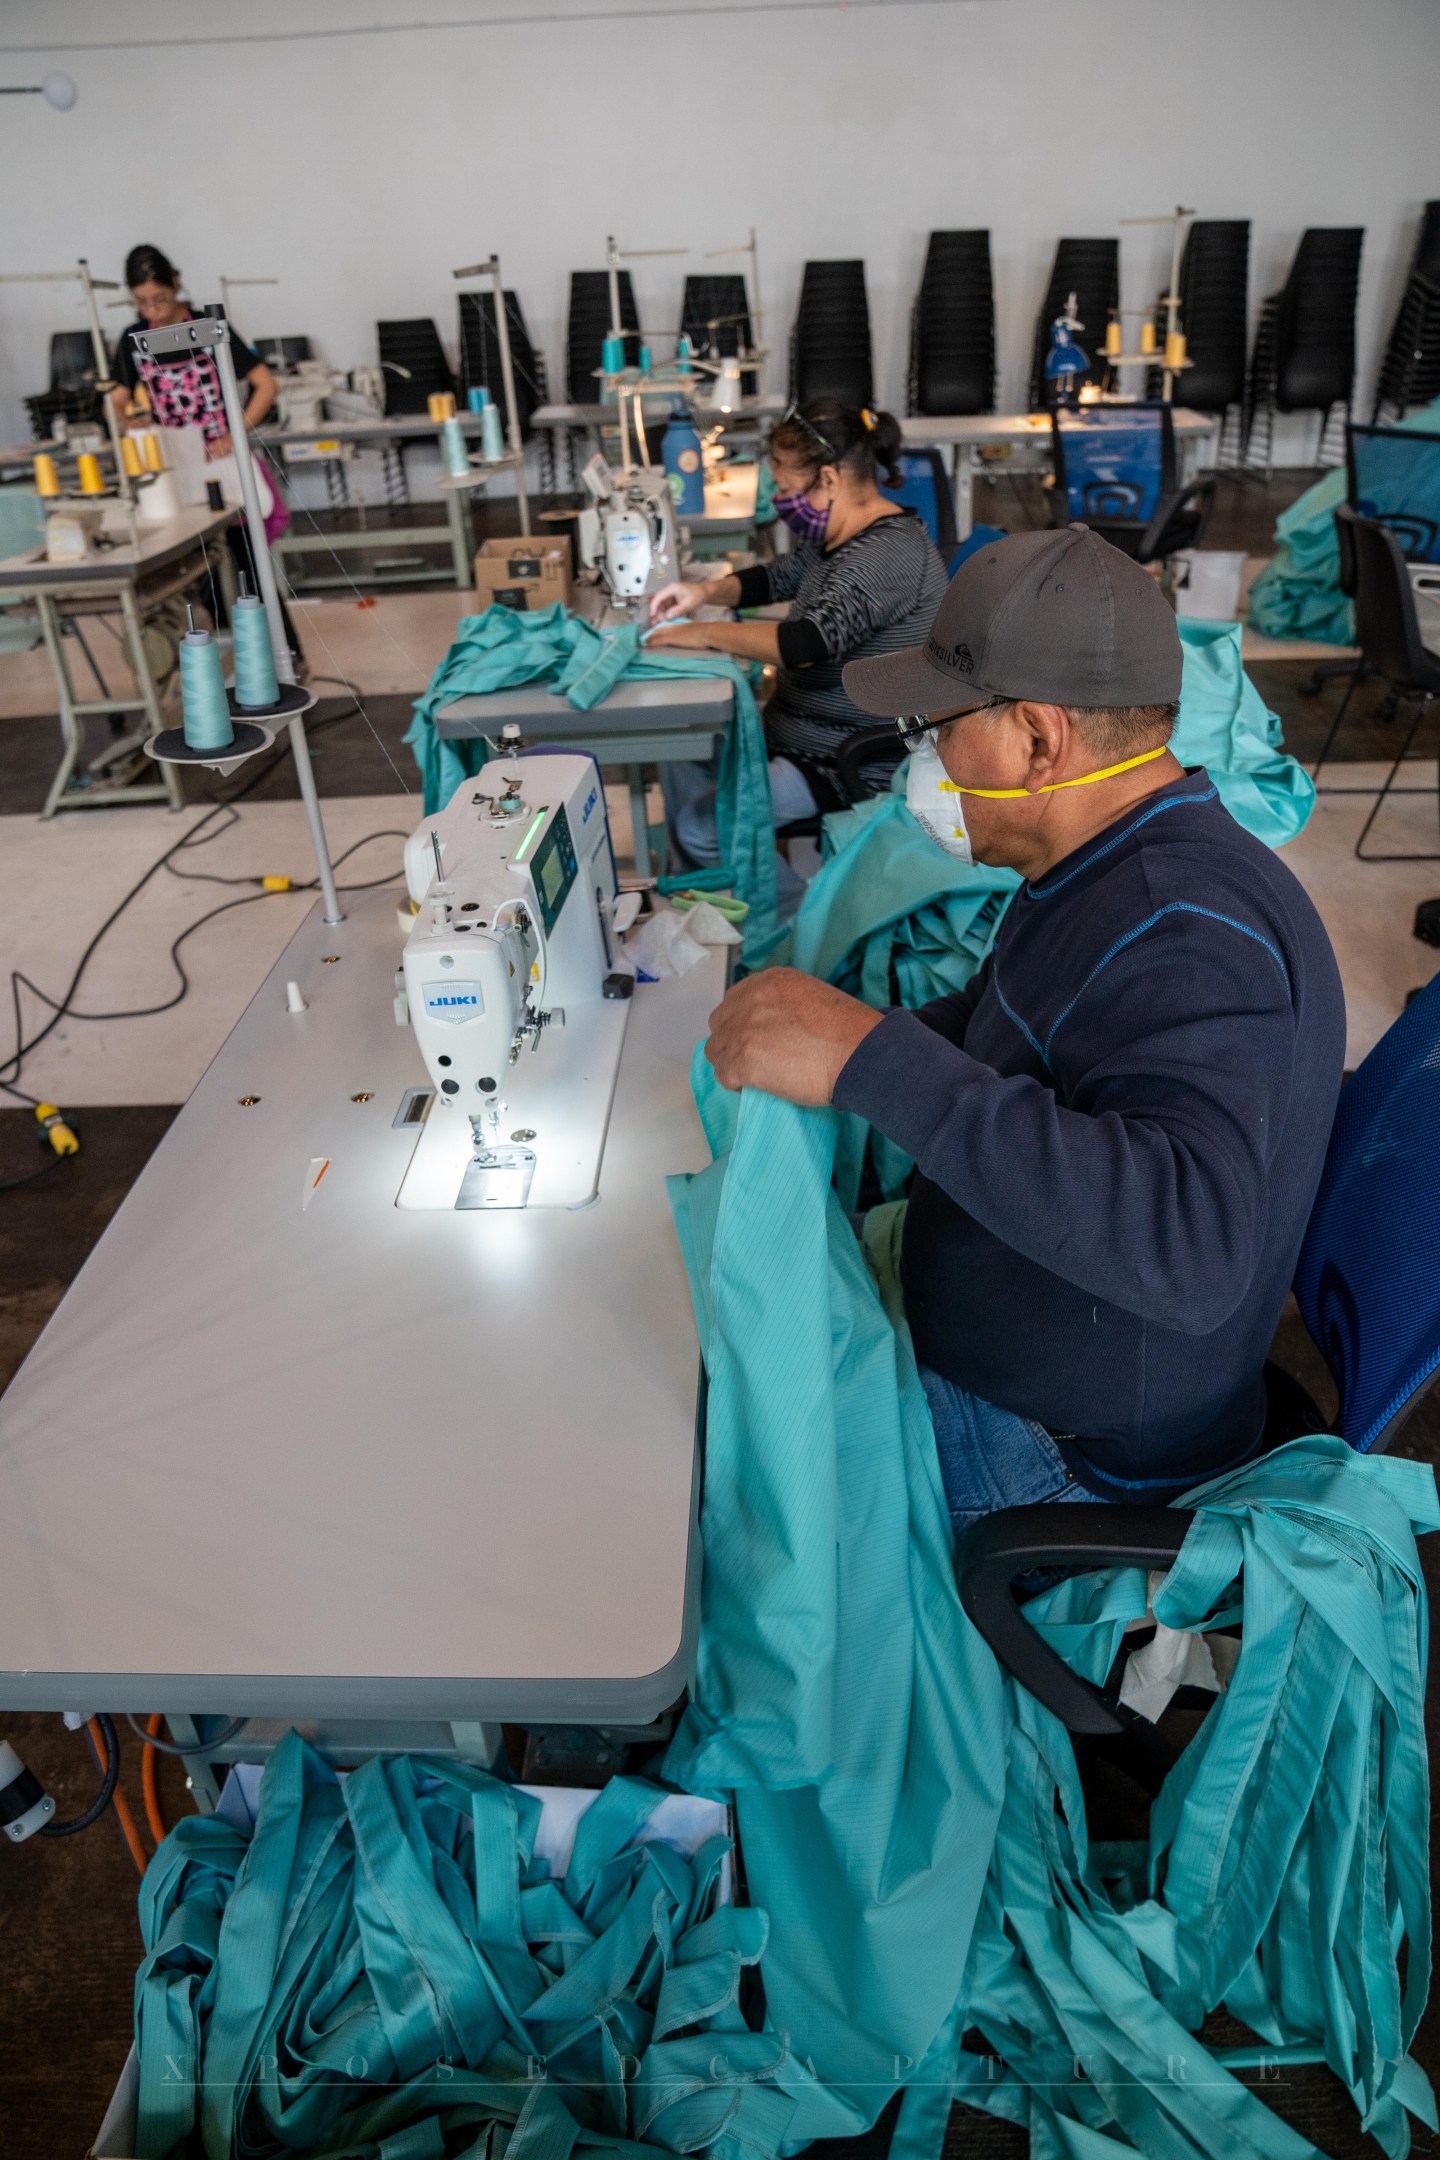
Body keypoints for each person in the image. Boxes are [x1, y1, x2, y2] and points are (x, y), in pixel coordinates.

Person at [703, 528, 1346, 1528]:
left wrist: (871, 1060)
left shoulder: (1185, 932)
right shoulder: (1100, 861)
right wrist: (845, 1036)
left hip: (1067, 1454)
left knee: (711, 1472)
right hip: (1025, 1359)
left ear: (1040, 741)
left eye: (938, 728)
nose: (925, 758)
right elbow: (1008, 1017)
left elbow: (1190, 1248)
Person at [646, 397, 946, 905]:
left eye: (786, 489)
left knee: (700, 826)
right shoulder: (842, 537)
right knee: (682, 751)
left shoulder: (888, 553)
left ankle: (797, 922)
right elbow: (775, 577)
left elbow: (805, 643)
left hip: (845, 758)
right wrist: (702, 593)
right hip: (799, 735)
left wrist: (702, 632)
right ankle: (717, 886)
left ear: (828, 479)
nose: (781, 501)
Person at [110, 243, 303, 669]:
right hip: (178, 469)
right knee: (195, 573)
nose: (152, 310)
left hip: (222, 462)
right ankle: (224, 666)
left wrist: (235, 432)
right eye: (142, 302)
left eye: (159, 298)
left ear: (176, 284)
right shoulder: (133, 340)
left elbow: (266, 384)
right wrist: (129, 418)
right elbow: (119, 400)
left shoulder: (208, 329)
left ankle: (288, 657)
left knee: (249, 565)